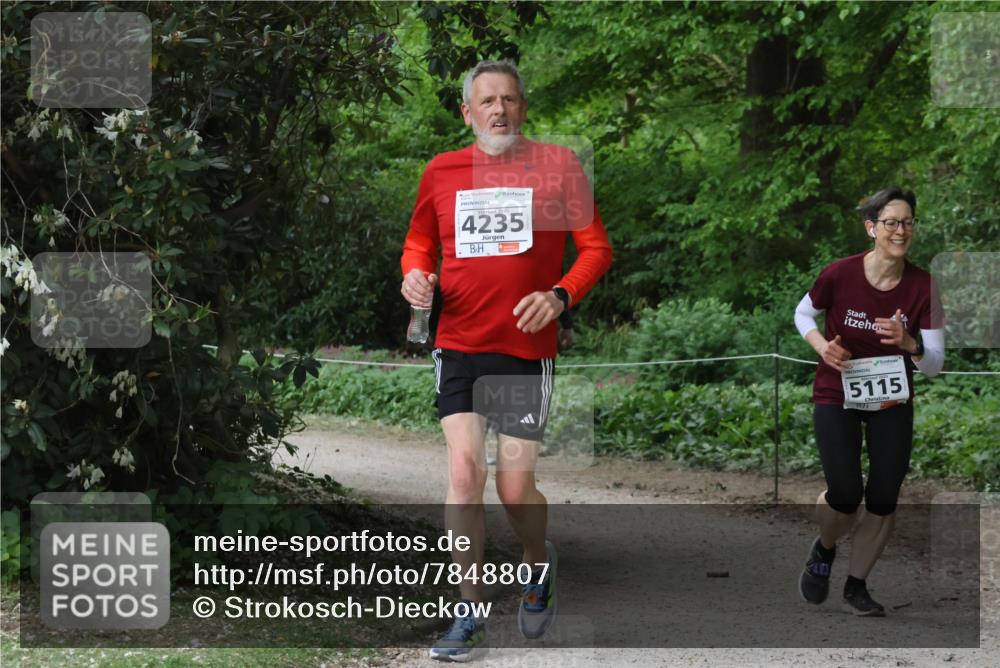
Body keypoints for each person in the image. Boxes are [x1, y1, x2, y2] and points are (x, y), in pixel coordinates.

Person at [400, 60, 612, 660]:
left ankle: (538, 563)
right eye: (487, 101)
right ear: (467, 112)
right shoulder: (441, 172)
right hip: (459, 342)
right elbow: (419, 242)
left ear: (523, 108)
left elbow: (595, 247)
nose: (499, 110)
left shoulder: (557, 166)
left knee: (516, 489)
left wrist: (560, 295)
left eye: (510, 100)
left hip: (523, 349)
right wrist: (414, 275)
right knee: (465, 474)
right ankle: (465, 614)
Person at [793, 187, 944, 616]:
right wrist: (823, 346)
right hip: (837, 389)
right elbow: (803, 314)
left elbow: (933, 364)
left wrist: (910, 343)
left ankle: (856, 586)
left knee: (883, 495)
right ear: (871, 228)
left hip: (892, 399)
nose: (901, 230)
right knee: (845, 492)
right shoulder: (839, 274)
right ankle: (824, 548)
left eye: (908, 222)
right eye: (892, 222)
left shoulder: (923, 286)